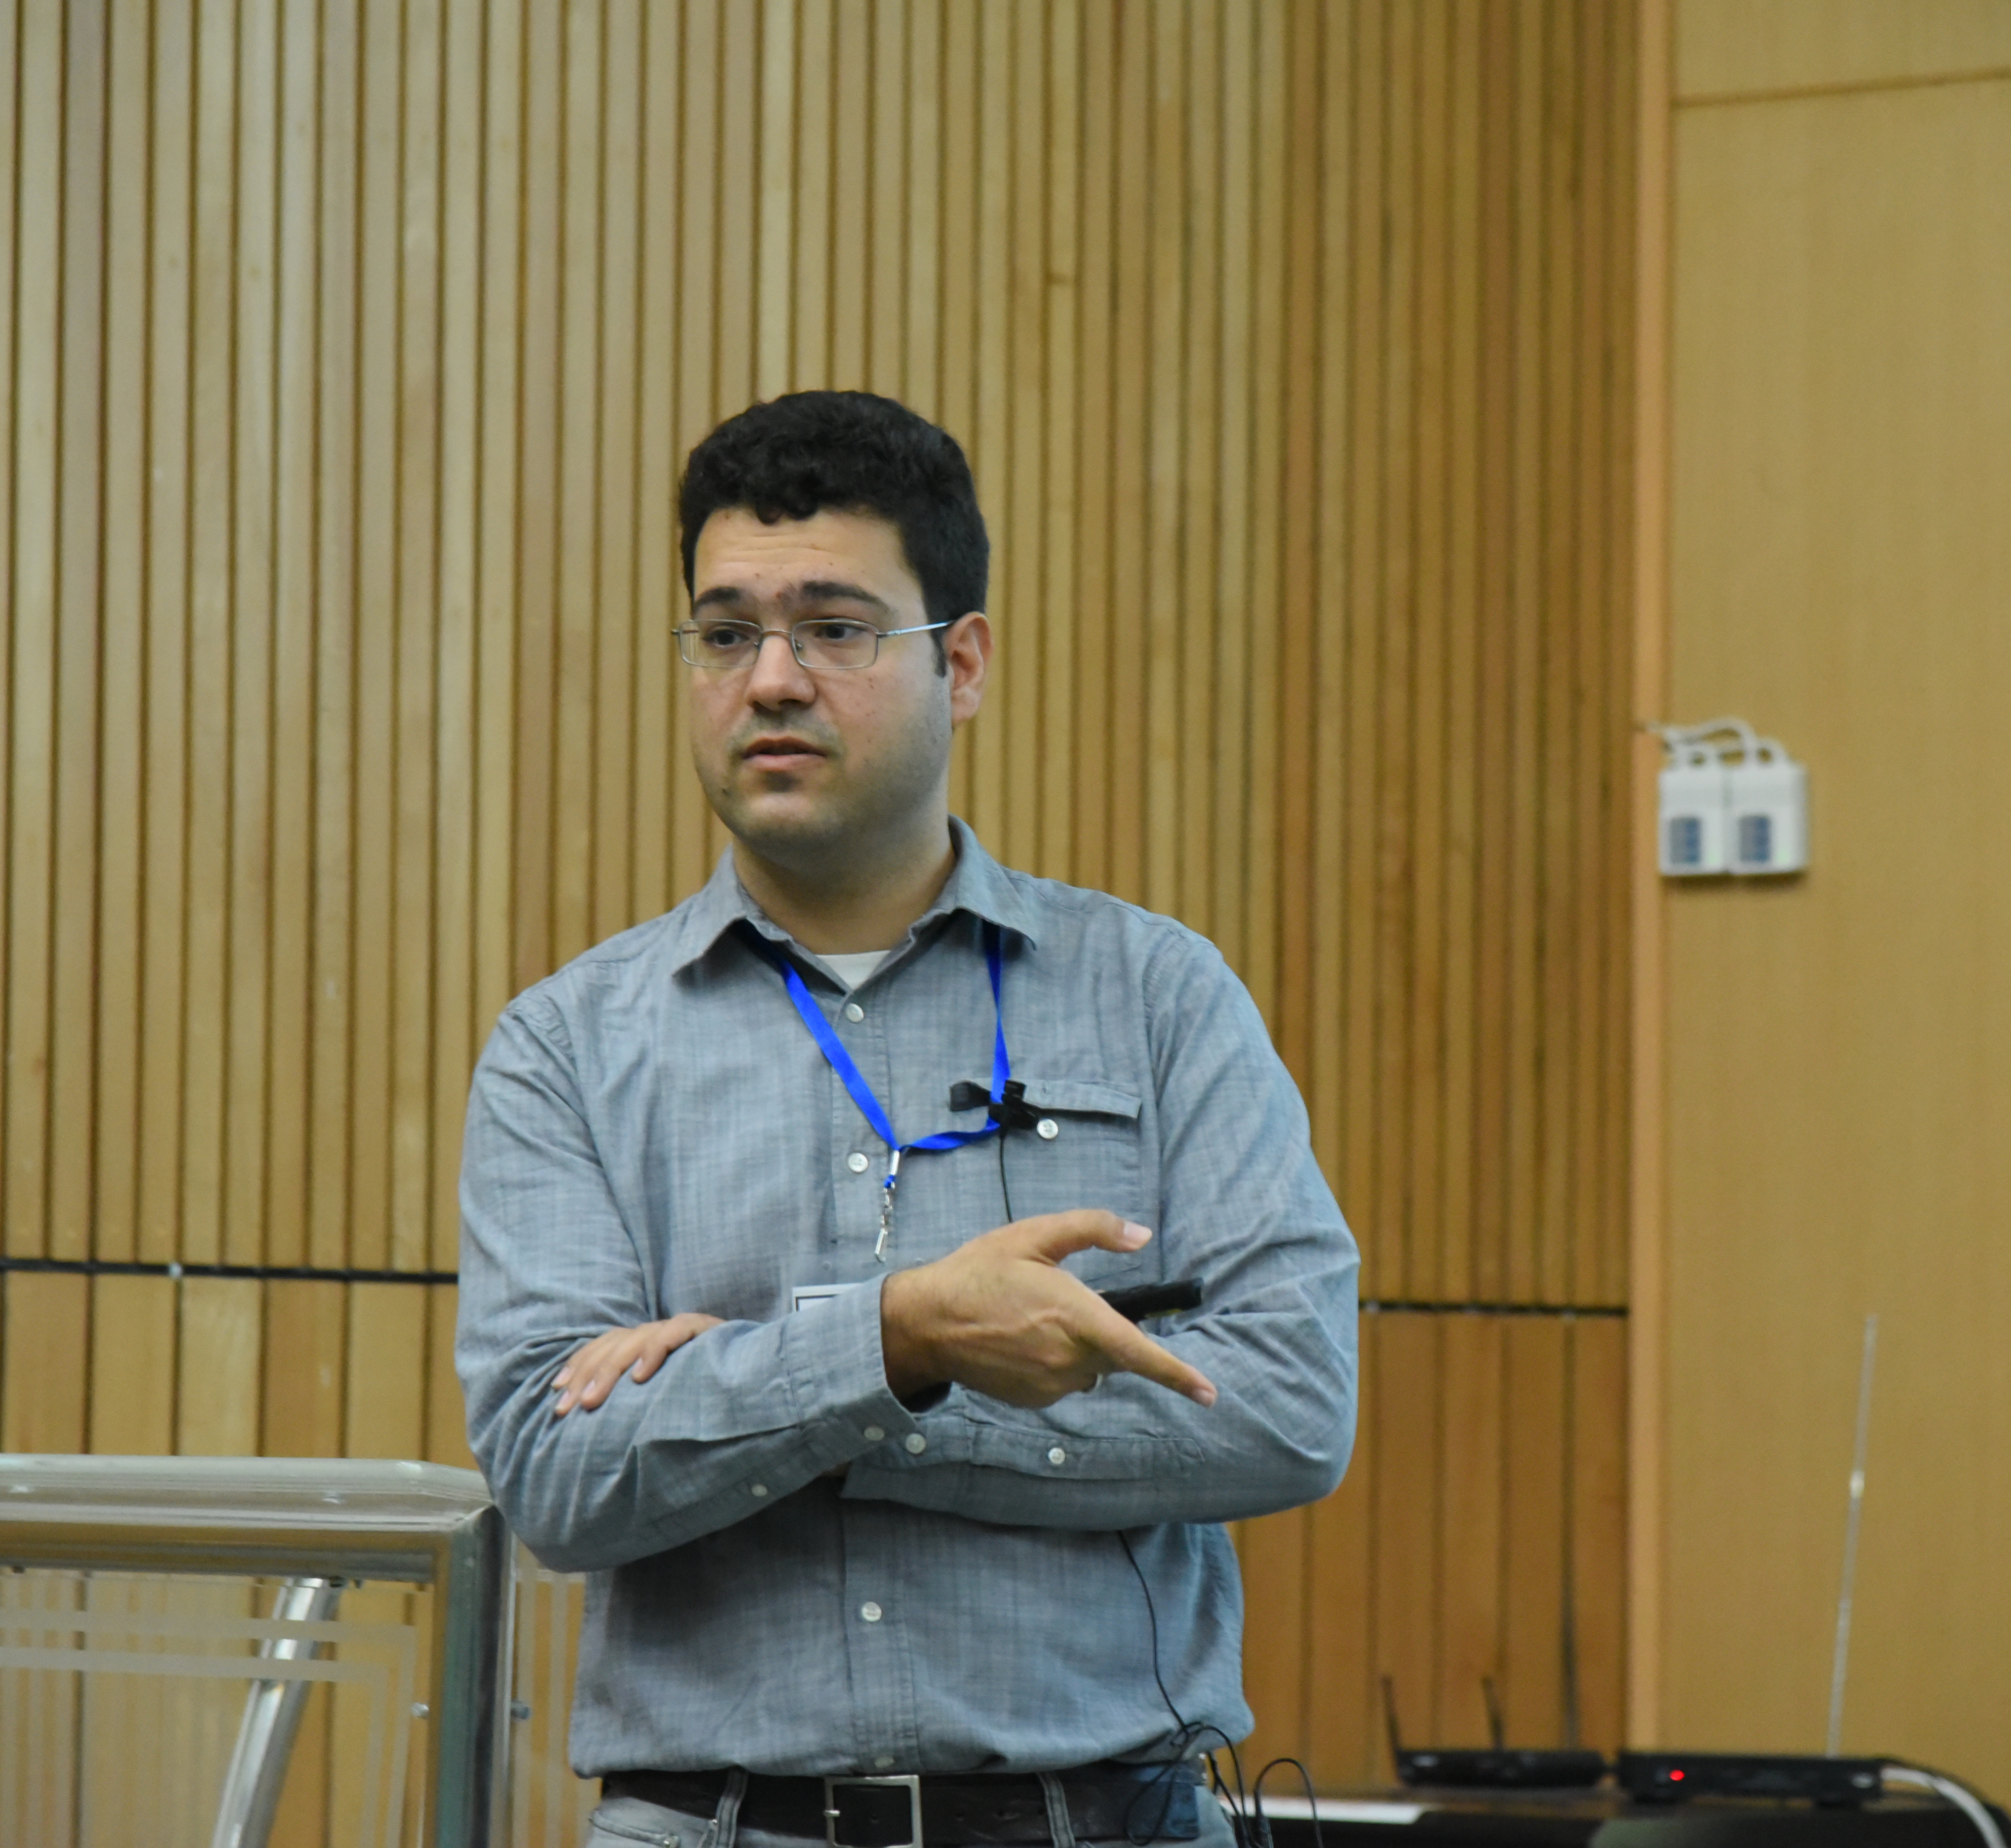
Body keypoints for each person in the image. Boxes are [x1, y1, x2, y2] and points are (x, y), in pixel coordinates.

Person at [455, 390, 1360, 1848]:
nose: (772, 681)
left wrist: (784, 1390)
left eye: (835, 627)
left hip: (1107, 1819)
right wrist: (903, 1340)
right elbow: (558, 1478)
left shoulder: (1157, 996)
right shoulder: (567, 1047)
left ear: (965, 662)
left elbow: (1289, 1408)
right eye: (726, 633)